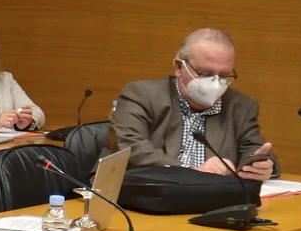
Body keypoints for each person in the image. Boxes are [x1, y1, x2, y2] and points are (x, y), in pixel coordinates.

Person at [112, 27, 275, 180]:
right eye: (205, 74)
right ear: (178, 67)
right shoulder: (142, 94)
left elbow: (254, 150)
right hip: (144, 195)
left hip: (211, 199)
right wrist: (189, 171)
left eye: (224, 76)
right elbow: (130, 150)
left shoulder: (241, 107)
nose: (215, 83)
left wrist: (260, 166)